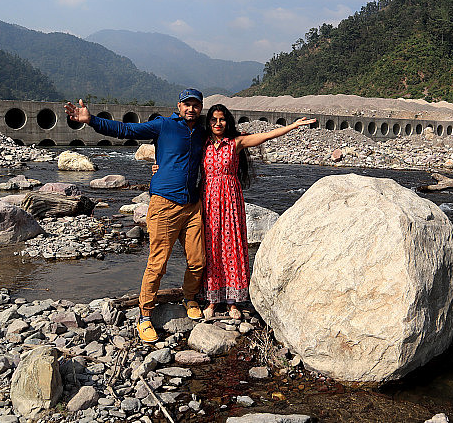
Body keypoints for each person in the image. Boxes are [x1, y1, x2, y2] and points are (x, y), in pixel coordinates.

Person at [64, 89, 207, 343]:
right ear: (179, 106)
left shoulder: (202, 132)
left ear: (201, 107)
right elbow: (126, 130)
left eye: (196, 105)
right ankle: (145, 316)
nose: (191, 109)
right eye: (187, 104)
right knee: (158, 262)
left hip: (192, 204)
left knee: (197, 259)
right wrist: (91, 120)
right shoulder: (164, 125)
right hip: (165, 203)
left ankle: (189, 297)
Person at [200, 104, 315, 319]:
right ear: (208, 122)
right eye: (214, 120)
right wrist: (157, 165)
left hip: (231, 202)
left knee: (231, 246)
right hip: (208, 202)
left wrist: (293, 126)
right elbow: (177, 152)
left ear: (228, 122)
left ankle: (233, 302)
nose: (218, 124)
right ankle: (213, 299)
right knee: (212, 247)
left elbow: (267, 136)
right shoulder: (202, 144)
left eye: (222, 119)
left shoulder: (237, 142)